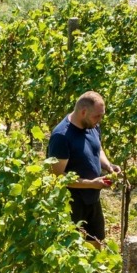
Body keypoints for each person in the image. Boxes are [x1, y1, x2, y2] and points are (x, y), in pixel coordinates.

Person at [46, 91, 120, 243]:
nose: (99, 120)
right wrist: (91, 184)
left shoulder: (91, 125)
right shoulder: (62, 136)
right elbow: (57, 176)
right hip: (71, 203)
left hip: (92, 199)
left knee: (97, 243)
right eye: (97, 116)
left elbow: (97, 148)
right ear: (83, 112)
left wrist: (108, 166)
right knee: (70, 248)